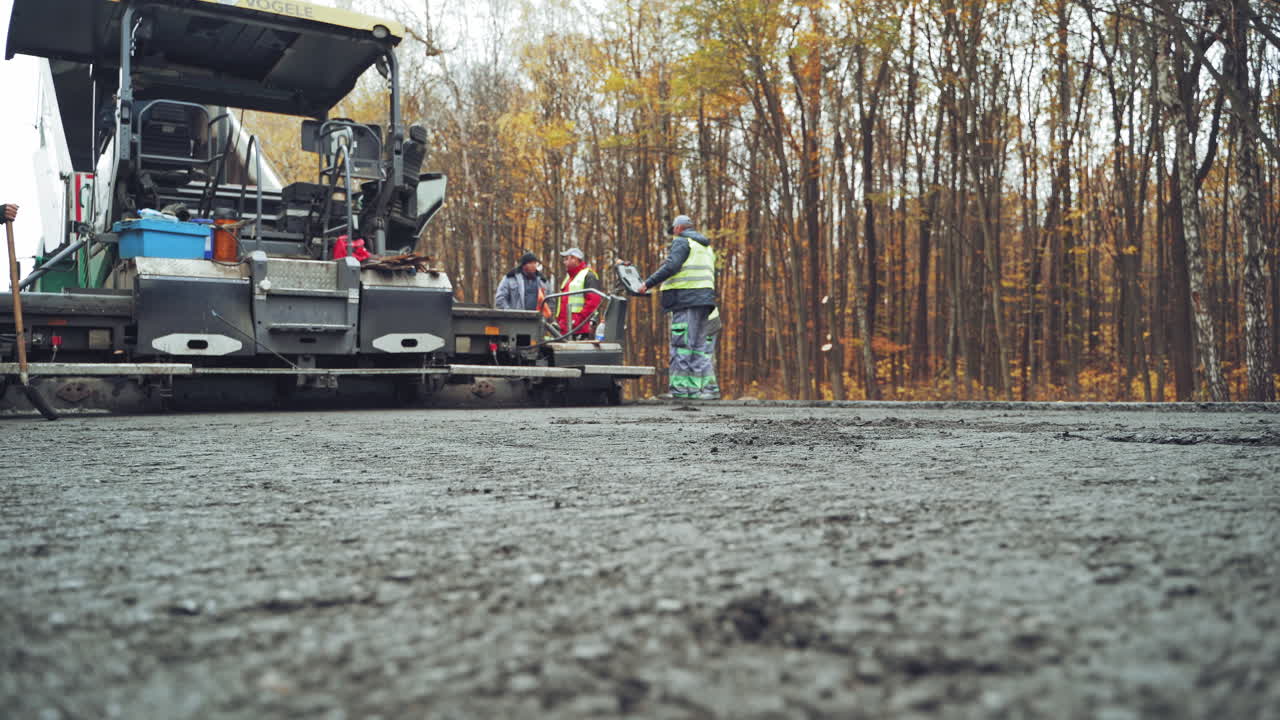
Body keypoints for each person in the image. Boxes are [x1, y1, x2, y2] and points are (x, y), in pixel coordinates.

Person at [637, 215, 719, 399]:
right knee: (698, 348)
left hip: (686, 300)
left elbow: (673, 266)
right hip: (705, 302)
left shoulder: (682, 242)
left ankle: (680, 391)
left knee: (681, 346)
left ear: (678, 228)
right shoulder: (705, 247)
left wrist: (647, 284)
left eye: (673, 231)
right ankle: (700, 391)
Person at [556, 247, 602, 338]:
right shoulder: (568, 278)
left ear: (575, 259)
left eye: (566, 259)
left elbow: (593, 302)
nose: (564, 262)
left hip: (580, 329)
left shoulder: (588, 276)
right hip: (567, 329)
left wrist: (577, 320)